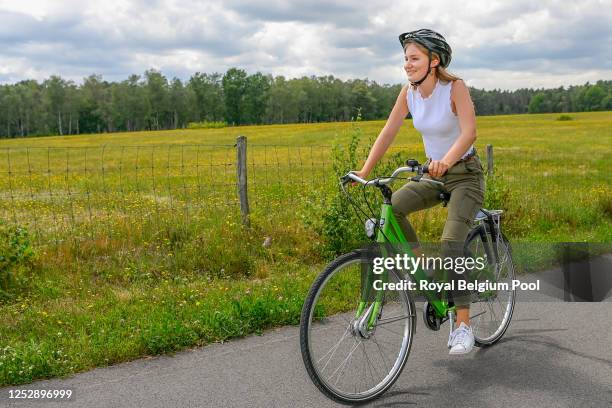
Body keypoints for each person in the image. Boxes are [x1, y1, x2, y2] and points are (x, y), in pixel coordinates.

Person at [353, 29, 485, 355]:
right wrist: (365, 171)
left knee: (452, 242)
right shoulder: (408, 93)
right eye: (405, 59)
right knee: (392, 209)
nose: (407, 65)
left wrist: (447, 161)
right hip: (431, 173)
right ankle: (424, 269)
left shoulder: (455, 88)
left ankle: (463, 326)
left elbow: (469, 133)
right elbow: (389, 131)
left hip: (464, 174)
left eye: (414, 58)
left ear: (433, 60)